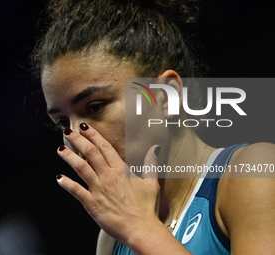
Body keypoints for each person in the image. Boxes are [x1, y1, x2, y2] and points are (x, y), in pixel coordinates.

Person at [32, 0, 275, 254]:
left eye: (95, 107)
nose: (76, 137)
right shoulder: (111, 240)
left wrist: (142, 231)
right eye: (62, 122)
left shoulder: (253, 173)